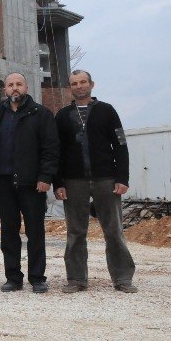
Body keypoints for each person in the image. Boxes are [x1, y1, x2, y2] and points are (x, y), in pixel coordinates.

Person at [54, 70, 136, 294]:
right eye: (74, 83)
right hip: (73, 182)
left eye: (83, 82)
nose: (79, 86)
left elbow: (120, 144)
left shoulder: (107, 111)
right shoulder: (62, 116)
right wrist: (58, 183)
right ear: (70, 87)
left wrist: (122, 178)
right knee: (75, 233)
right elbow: (56, 152)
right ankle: (76, 279)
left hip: (106, 180)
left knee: (114, 231)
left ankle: (123, 278)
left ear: (92, 84)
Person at [0, 72, 59, 294]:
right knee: (9, 232)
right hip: (5, 182)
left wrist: (45, 178)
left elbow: (51, 149)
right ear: (5, 89)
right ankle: (13, 277)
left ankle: (37, 277)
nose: (14, 88)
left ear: (26, 87)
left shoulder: (41, 114)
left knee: (35, 232)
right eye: (10, 85)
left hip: (32, 183)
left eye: (18, 84)